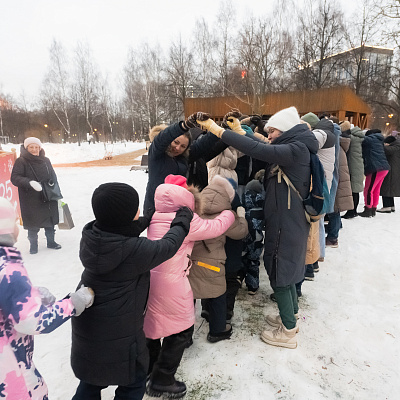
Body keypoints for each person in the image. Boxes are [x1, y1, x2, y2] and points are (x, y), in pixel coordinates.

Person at [197, 106, 319, 349]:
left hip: (286, 223)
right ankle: (291, 316)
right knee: (288, 268)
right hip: (287, 220)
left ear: (283, 130)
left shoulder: (294, 149)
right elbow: (264, 144)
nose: (270, 135)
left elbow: (259, 148)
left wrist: (217, 130)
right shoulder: (297, 145)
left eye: (272, 131)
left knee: (281, 271)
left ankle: (288, 331)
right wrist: (239, 129)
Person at [70, 182, 193, 400]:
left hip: (88, 331)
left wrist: (147, 217)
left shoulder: (92, 235)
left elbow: (121, 229)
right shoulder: (135, 251)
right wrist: (182, 222)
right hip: (122, 337)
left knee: (91, 381)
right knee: (134, 383)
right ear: (128, 215)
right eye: (136, 209)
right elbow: (168, 246)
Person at [144, 175, 235, 398]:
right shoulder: (185, 219)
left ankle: (148, 369)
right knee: (182, 329)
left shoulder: (157, 215)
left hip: (150, 280)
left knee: (153, 324)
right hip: (173, 282)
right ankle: (162, 380)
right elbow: (214, 227)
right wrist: (229, 214)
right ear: (186, 195)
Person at [0, 197, 94, 400]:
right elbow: (32, 321)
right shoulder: (8, 270)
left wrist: (31, 294)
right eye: (16, 222)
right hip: (11, 379)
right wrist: (73, 302)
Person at [189, 175, 248, 343]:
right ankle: (218, 329)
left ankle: (184, 336)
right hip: (213, 265)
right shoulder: (225, 216)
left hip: (191, 263)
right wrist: (242, 217)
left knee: (189, 297)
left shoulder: (194, 213)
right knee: (218, 294)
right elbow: (241, 232)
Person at [143, 113, 218, 213]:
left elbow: (202, 144)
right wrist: (184, 126)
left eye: (183, 146)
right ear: (170, 140)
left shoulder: (183, 157)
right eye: (176, 142)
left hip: (177, 207)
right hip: (156, 208)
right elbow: (162, 138)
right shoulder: (157, 154)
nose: (178, 148)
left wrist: (220, 130)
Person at [11, 137, 62, 254]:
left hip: (48, 195)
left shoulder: (46, 160)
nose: (34, 150)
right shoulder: (21, 161)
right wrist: (30, 183)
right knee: (33, 224)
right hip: (30, 198)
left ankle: (51, 242)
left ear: (40, 148)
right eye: (31, 147)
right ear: (26, 148)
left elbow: (53, 176)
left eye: (36, 147)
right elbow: (15, 178)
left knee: (50, 221)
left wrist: (55, 191)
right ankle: (33, 246)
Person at [240, 169, 265, 294]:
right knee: (253, 260)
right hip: (258, 234)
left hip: (245, 228)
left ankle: (238, 279)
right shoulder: (264, 195)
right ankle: (252, 286)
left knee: (243, 256)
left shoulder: (248, 189)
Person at [359, 129, 390, 217]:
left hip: (375, 168)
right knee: (376, 189)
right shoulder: (379, 140)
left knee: (368, 190)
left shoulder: (370, 139)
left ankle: (368, 209)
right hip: (384, 168)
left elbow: (362, 138)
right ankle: (373, 208)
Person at [341, 122, 365, 219]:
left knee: (353, 190)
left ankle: (351, 211)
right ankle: (353, 210)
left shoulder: (352, 138)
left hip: (353, 166)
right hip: (358, 165)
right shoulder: (359, 138)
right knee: (355, 190)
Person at [378, 135, 400, 212]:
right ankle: (391, 205)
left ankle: (386, 206)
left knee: (386, 187)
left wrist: (380, 145)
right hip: (394, 169)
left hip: (391, 170)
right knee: (389, 188)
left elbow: (388, 150)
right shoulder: (397, 144)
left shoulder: (396, 146)